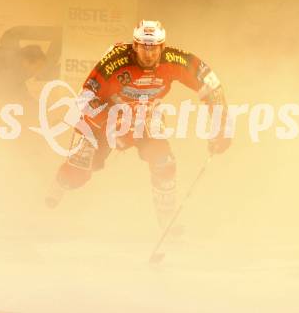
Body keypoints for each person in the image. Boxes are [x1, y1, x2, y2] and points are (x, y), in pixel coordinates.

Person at [46, 21, 231, 230]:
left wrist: (222, 126)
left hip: (146, 116)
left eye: (154, 48)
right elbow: (84, 99)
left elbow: (212, 85)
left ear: (163, 46)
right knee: (78, 172)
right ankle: (58, 188)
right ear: (135, 46)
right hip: (107, 116)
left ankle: (167, 221)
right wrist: (106, 123)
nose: (149, 54)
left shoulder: (175, 59)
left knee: (164, 163)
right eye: (144, 47)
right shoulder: (115, 61)